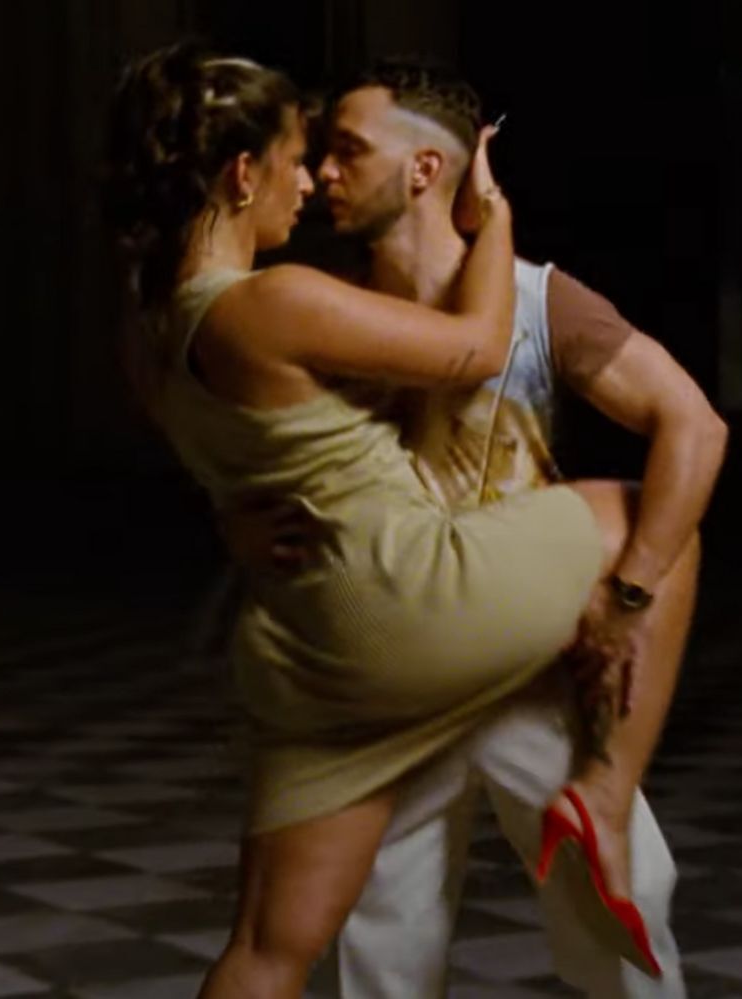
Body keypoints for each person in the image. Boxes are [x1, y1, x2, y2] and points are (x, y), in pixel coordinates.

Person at [103, 43, 704, 998]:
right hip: (412, 616)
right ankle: (604, 792)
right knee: (383, 941)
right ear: (241, 173)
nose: (318, 176)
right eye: (307, 155)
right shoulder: (300, 305)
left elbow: (692, 425)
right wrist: (497, 211)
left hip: (403, 647)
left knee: (272, 943)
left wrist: (619, 606)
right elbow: (469, 349)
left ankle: (604, 797)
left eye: (342, 149)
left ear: (426, 168)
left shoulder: (181, 323)